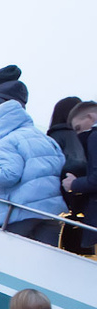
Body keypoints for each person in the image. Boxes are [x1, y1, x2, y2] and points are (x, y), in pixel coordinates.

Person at [0, 100, 66, 244]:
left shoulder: (7, 141)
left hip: (21, 210)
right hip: (51, 212)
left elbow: (10, 174)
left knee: (4, 254)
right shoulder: (46, 139)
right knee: (42, 261)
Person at [62, 100, 97, 254]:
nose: (78, 134)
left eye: (78, 128)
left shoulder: (94, 137)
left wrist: (74, 184)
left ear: (90, 117)